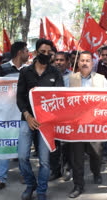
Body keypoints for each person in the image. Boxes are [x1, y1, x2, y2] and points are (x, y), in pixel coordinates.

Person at [16, 38, 64, 200]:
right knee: (22, 155)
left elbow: (59, 98)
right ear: (36, 52)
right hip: (27, 120)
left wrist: (46, 117)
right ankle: (31, 185)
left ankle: (42, 191)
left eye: (48, 52)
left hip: (46, 123)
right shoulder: (25, 72)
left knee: (45, 160)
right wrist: (28, 116)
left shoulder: (55, 73)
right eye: (42, 52)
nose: (45, 55)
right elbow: (20, 98)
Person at [67, 51, 107, 199]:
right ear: (78, 63)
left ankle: (96, 172)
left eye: (88, 61)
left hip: (95, 124)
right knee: (77, 156)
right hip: (76, 125)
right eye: (82, 60)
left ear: (92, 63)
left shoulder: (101, 79)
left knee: (96, 153)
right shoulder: (69, 79)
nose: (85, 63)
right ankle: (78, 184)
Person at [0, 41, 29, 191]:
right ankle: (1, 179)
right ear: (20, 53)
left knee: (23, 147)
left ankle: (25, 175)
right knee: (4, 145)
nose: (28, 54)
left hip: (23, 114)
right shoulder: (2, 70)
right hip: (6, 114)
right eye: (26, 51)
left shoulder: (29, 70)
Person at [48, 51, 73, 182]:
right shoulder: (48, 74)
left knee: (68, 144)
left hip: (68, 116)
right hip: (53, 115)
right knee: (53, 144)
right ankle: (55, 170)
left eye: (62, 60)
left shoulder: (74, 77)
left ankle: (68, 168)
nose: (58, 62)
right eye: (56, 60)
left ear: (68, 62)